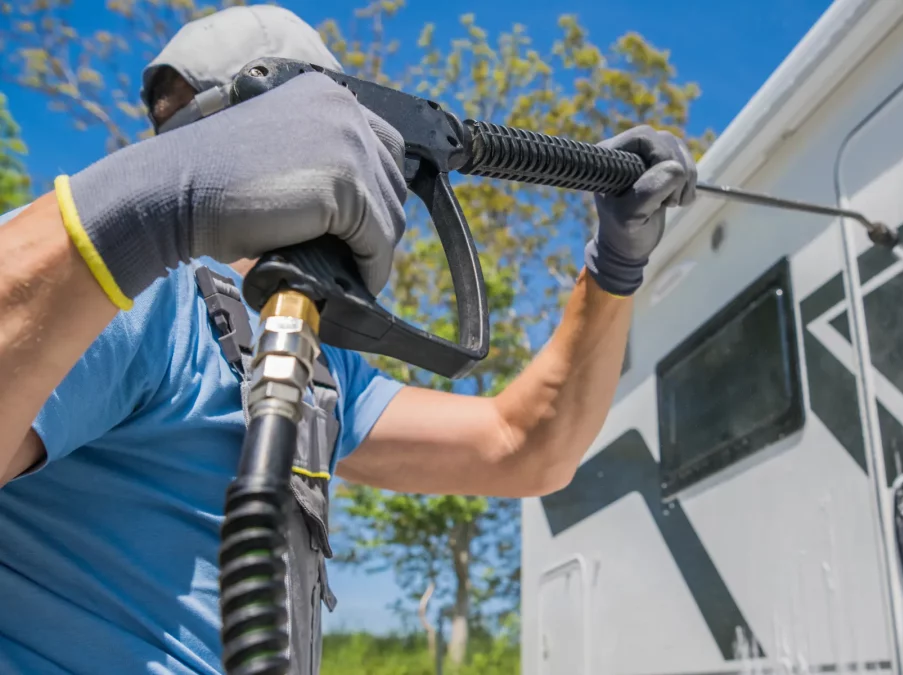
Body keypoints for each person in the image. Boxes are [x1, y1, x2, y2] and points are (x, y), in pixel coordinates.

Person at [0, 5, 697, 675]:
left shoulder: (318, 366)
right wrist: (146, 210)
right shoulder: (128, 292)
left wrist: (614, 269)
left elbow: (524, 446)